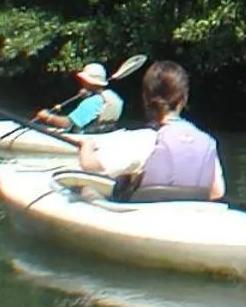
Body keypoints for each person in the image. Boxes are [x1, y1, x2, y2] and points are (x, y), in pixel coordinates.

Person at [94, 60, 225, 202]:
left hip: (144, 211)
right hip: (192, 211)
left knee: (90, 192)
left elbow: (92, 166)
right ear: (184, 99)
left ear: (145, 98)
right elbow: (217, 192)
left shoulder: (144, 139)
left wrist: (88, 146)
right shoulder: (208, 142)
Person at [35, 63, 123, 134]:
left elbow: (67, 124)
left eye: (83, 79)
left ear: (88, 81)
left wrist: (48, 117)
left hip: (86, 137)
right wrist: (89, 94)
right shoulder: (111, 96)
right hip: (103, 133)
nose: (81, 81)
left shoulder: (92, 102)